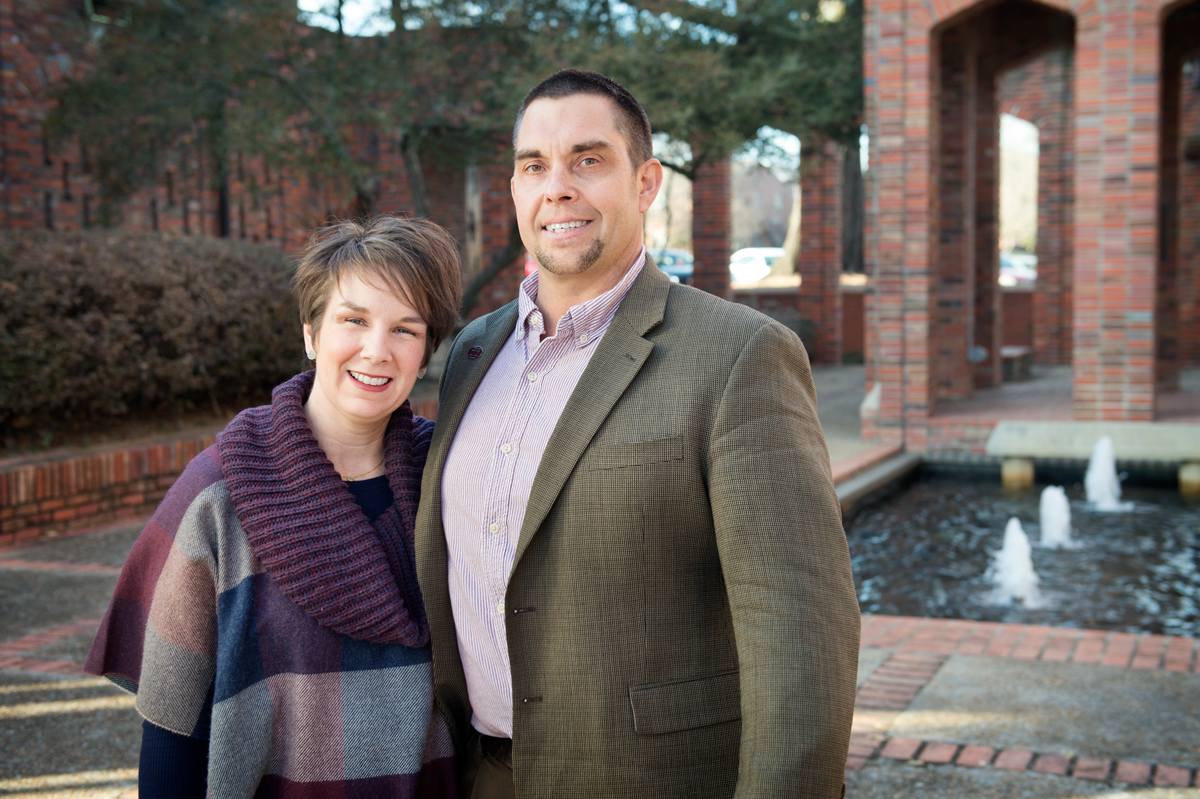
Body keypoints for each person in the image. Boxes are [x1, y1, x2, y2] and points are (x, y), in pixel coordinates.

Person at [415, 70, 860, 799]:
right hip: (481, 776)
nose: (556, 187)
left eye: (587, 160)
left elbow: (801, 638)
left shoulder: (738, 355)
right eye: (534, 166)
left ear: (647, 182)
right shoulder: (472, 351)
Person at [86, 215, 463, 798]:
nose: (376, 350)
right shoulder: (221, 492)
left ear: (426, 352)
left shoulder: (450, 478)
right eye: (353, 320)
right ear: (311, 333)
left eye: (405, 330)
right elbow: (171, 729)